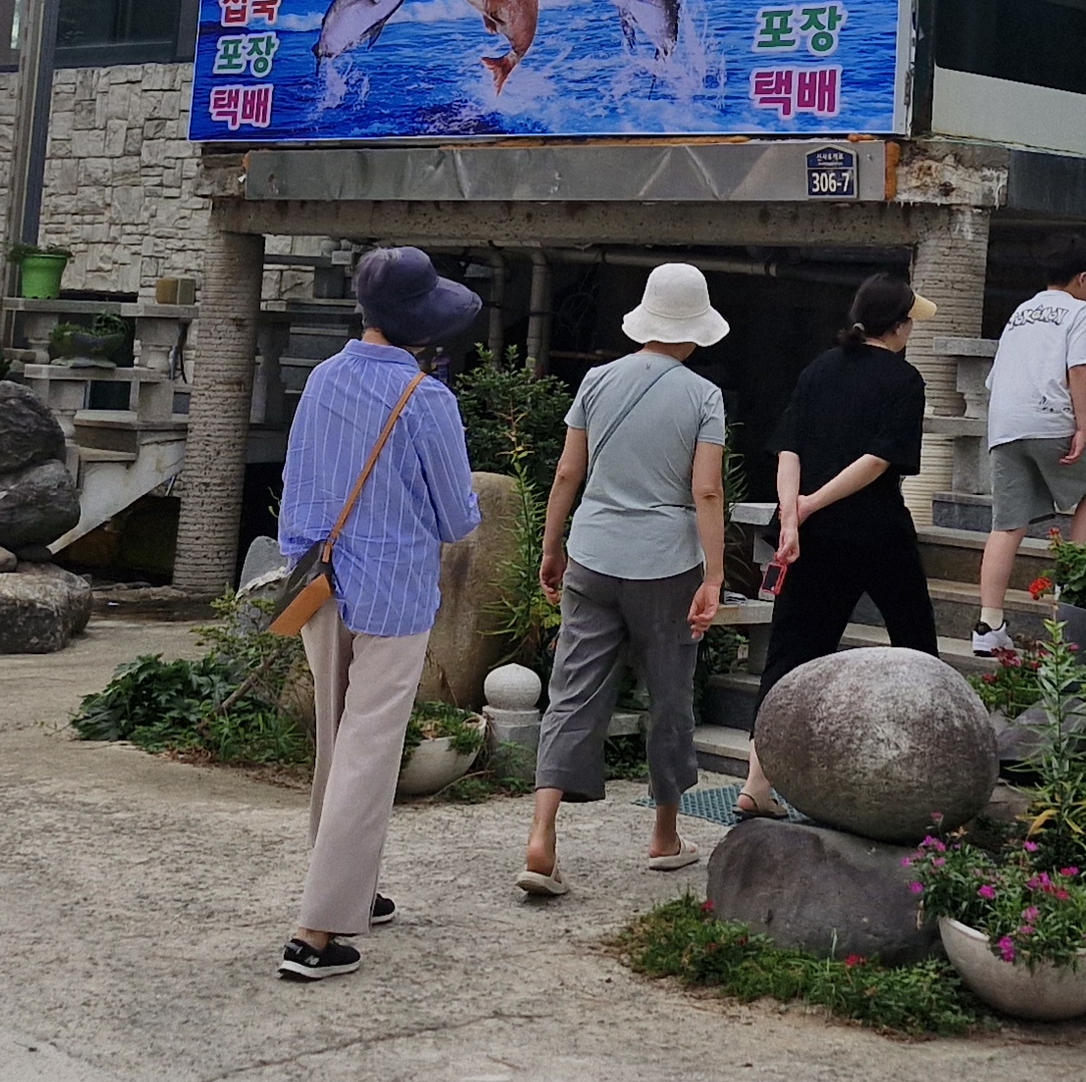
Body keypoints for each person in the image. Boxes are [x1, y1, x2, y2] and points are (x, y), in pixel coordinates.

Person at [275, 246, 485, 985]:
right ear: (423, 324)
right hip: (393, 592)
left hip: (317, 583)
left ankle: (348, 886)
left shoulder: (322, 378)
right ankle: (316, 931)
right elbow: (457, 518)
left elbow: (298, 488)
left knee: (337, 742)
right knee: (369, 749)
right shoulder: (427, 399)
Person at [519, 260, 729, 900]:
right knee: (669, 695)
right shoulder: (704, 396)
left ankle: (541, 836)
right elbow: (707, 490)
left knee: (572, 691)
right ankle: (664, 836)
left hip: (592, 552)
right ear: (695, 329)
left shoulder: (596, 380)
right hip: (667, 564)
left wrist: (551, 547)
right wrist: (715, 576)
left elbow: (567, 473)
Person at [736, 270, 933, 817]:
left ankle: (755, 783)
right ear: (898, 326)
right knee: (916, 643)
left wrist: (793, 514)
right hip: (876, 530)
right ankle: (927, 778)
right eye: (910, 322)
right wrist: (809, 506)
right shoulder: (904, 379)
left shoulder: (819, 368)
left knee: (790, 653)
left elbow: (789, 449)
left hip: (811, 536)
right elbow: (879, 460)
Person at [971, 236, 1086, 663]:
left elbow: (997, 376)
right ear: (1083, 278)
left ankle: (989, 626)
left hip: (1004, 424)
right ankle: (1071, 590)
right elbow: (1078, 369)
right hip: (1050, 418)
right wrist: (1083, 426)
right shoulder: (1082, 311)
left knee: (1006, 525)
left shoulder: (1021, 312)